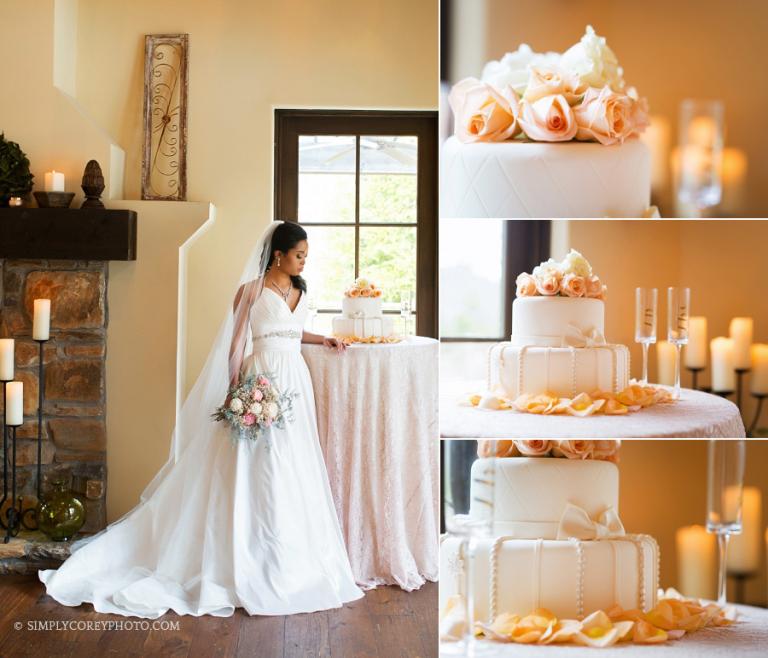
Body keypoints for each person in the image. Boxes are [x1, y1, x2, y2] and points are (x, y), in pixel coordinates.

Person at [38, 220, 364, 617]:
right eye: (299, 255)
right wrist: (235, 390)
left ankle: (288, 556)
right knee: (257, 463)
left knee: (292, 462)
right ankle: (247, 554)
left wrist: (322, 339)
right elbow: (237, 341)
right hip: (259, 378)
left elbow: (293, 332)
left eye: (306, 257)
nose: (303, 263)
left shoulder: (298, 291)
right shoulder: (251, 291)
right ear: (278, 254)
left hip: (295, 379)